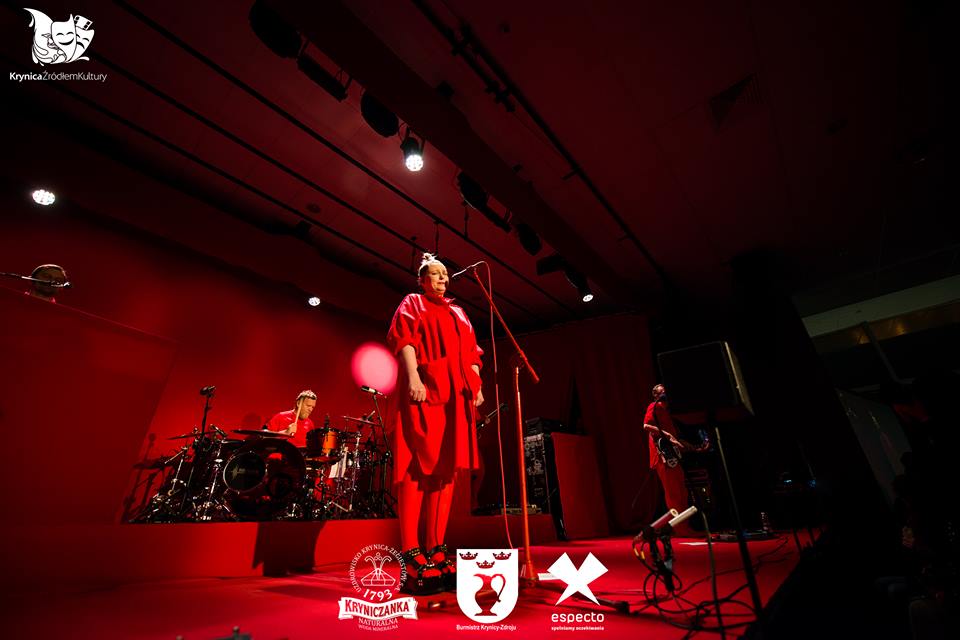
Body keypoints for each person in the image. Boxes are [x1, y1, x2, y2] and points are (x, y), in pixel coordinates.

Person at [387, 253, 484, 594]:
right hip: (425, 390)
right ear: (422, 279)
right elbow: (404, 340)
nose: (443, 278)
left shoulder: (458, 312)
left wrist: (477, 386)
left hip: (455, 397)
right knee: (416, 468)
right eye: (435, 274)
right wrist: (413, 377)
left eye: (445, 274)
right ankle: (410, 551)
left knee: (445, 471)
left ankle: (436, 547)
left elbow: (472, 354)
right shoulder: (412, 302)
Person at [643, 384, 694, 535]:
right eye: (662, 391)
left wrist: (689, 445)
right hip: (663, 456)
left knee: (682, 492)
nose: (666, 393)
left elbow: (674, 437)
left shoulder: (667, 412)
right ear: (656, 395)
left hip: (672, 456)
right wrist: (668, 435)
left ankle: (684, 526)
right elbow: (646, 425)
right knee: (674, 493)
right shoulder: (655, 406)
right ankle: (680, 528)